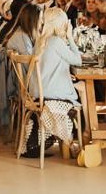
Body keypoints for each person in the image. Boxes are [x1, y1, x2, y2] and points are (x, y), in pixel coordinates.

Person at [20, 8, 82, 157]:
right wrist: (71, 38)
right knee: (83, 89)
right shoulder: (57, 42)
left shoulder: (40, 41)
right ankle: (80, 138)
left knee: (77, 86)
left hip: (37, 94)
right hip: (52, 96)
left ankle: (71, 142)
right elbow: (78, 61)